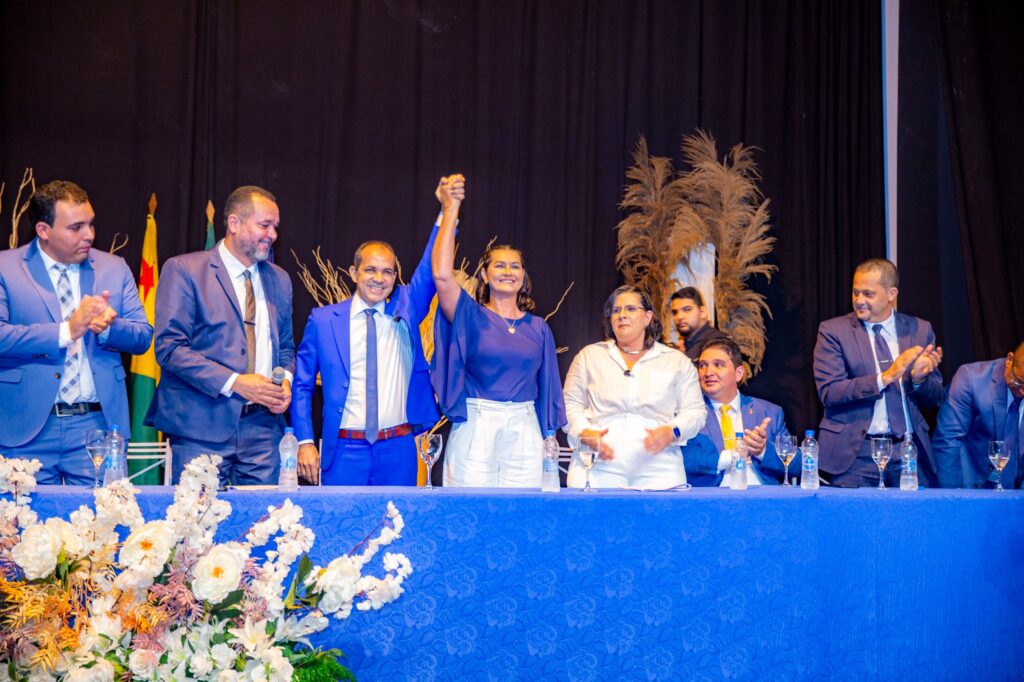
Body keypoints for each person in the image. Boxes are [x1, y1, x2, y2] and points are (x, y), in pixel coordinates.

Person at [291, 183, 449, 485]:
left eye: (388, 271)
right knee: (340, 518)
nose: (379, 278)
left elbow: (431, 265)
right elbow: (302, 385)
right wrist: (304, 441)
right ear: (353, 273)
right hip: (344, 449)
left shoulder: (407, 307)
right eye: (370, 270)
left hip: (398, 448)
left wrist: (446, 212)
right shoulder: (323, 320)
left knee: (398, 517)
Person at [0, 180, 152, 484]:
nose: (89, 235)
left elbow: (143, 336)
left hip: (96, 426)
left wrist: (109, 328)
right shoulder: (6, 267)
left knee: (104, 515)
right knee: (21, 515)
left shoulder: (114, 267)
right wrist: (67, 331)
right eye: (76, 227)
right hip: (25, 427)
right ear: (44, 230)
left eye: (91, 224)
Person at [148, 185, 294, 485]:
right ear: (234, 223)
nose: (272, 235)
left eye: (275, 227)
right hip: (200, 427)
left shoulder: (280, 280)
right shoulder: (185, 270)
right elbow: (169, 348)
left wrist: (285, 384)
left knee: (263, 516)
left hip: (263, 431)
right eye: (264, 225)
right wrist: (236, 383)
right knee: (198, 515)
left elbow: (286, 349)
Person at [431, 174, 566, 487]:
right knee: (470, 510)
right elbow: (441, 274)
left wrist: (549, 438)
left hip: (525, 428)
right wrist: (451, 208)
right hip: (477, 425)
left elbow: (548, 391)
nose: (508, 271)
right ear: (484, 274)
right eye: (499, 265)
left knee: (525, 511)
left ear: (523, 275)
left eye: (515, 266)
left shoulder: (538, 328)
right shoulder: (469, 315)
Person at [813, 258, 944, 487]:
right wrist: (885, 377)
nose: (859, 300)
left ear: (891, 294)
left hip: (908, 452)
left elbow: (936, 398)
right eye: (855, 293)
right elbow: (830, 392)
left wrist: (919, 379)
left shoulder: (919, 330)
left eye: (868, 294)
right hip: (856, 456)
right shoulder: (833, 331)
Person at [563, 285, 705, 489]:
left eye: (630, 309)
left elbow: (695, 411)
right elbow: (569, 404)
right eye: (616, 310)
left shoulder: (676, 361)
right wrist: (585, 433)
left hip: (659, 465)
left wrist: (672, 431)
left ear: (647, 317)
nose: (622, 315)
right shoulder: (589, 356)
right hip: (598, 462)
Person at [683, 338, 793, 486]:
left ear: (738, 373)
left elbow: (797, 464)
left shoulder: (769, 412)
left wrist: (762, 450)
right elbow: (680, 457)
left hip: (762, 494)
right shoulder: (688, 413)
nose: (708, 372)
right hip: (712, 496)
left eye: (718, 365)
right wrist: (731, 457)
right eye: (703, 365)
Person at [932, 340, 1024, 489]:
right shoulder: (970, 378)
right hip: (971, 483)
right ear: (1009, 360)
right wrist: (953, 496)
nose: (1022, 391)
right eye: (1019, 382)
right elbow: (948, 440)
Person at [669, 287, 730, 362]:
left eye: (687, 310)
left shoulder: (716, 343)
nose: (679, 317)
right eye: (675, 312)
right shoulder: (683, 346)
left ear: (702, 312)